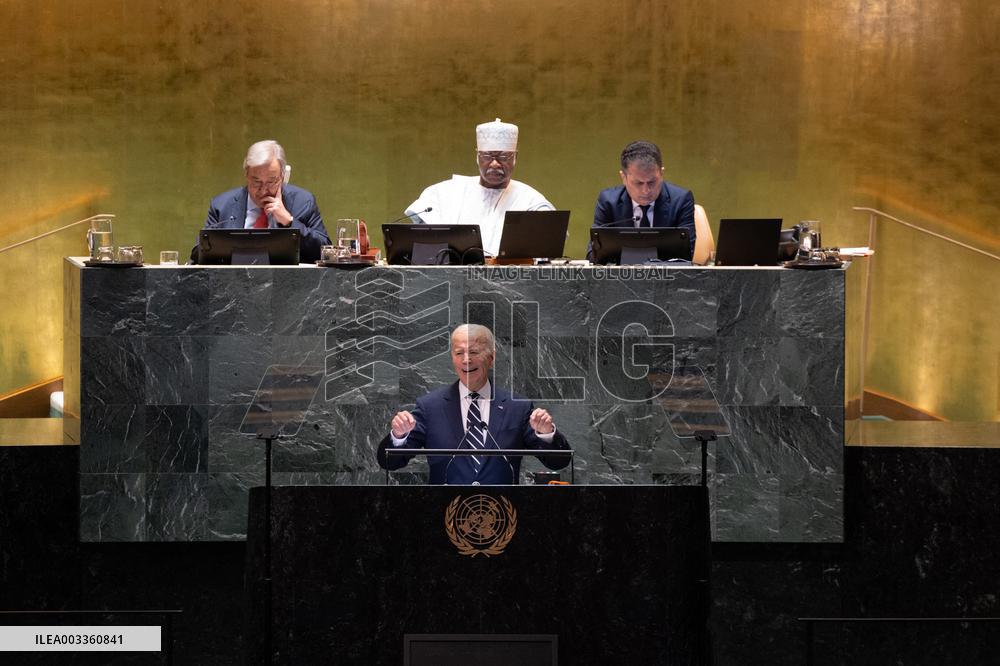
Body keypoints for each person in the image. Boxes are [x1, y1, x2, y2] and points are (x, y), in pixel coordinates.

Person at [377, 324, 570, 485]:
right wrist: (399, 436)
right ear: (452, 358)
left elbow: (557, 462)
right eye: (459, 353)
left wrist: (546, 434)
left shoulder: (517, 407)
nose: (466, 360)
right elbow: (390, 462)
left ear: (491, 358)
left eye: (474, 352)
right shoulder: (430, 407)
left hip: (503, 515)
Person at [404, 119, 554, 256]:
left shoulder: (530, 200)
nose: (495, 164)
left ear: (515, 158)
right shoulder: (444, 193)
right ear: (477, 157)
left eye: (503, 157)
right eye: (487, 157)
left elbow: (550, 235)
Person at [190, 139, 331, 263]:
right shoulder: (221, 205)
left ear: (282, 176)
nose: (263, 190)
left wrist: (289, 222)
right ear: (246, 175)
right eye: (256, 182)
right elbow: (198, 254)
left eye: (271, 182)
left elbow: (325, 253)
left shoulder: (303, 202)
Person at [592, 140, 696, 257]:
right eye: (638, 183)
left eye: (652, 182)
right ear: (623, 177)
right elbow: (594, 254)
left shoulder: (681, 200)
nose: (646, 190)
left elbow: (687, 254)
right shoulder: (608, 202)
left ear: (661, 174)